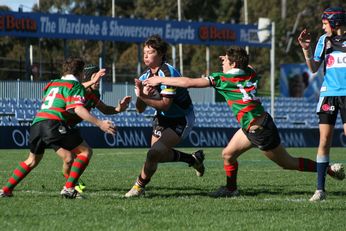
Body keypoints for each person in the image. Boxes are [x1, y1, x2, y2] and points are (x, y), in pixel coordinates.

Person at [145, 46, 345, 198]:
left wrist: (160, 81)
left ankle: (327, 169)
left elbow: (187, 82)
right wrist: (233, 60)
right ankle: (231, 189)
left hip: (259, 130)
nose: (221, 63)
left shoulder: (222, 79)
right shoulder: (248, 73)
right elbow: (248, 66)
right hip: (253, 124)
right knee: (228, 155)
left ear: (232, 64)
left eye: (225, 61)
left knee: (287, 163)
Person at [0, 57, 116, 199]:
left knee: (31, 161)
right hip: (53, 123)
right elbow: (78, 109)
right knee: (85, 152)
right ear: (80, 73)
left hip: (37, 123)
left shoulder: (52, 83)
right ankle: (68, 188)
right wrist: (100, 123)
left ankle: (6, 189)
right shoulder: (75, 86)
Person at [125, 34, 205, 198]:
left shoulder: (169, 73)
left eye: (151, 51)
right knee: (156, 155)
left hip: (181, 118)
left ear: (161, 54)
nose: (146, 55)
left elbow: (166, 105)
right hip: (162, 118)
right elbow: (140, 109)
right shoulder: (144, 77)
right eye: (145, 51)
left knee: (153, 153)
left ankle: (138, 187)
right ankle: (192, 159)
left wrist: (145, 97)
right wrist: (141, 95)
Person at [57, 64, 132, 193]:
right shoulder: (77, 89)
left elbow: (104, 109)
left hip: (68, 128)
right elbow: (78, 87)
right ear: (86, 78)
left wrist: (118, 109)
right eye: (95, 77)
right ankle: (70, 185)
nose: (98, 81)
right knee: (72, 158)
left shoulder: (93, 94)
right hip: (57, 126)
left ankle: (71, 184)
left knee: (69, 160)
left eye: (99, 78)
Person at [298, 7, 346, 201]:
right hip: (329, 95)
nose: (322, 27)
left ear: (336, 24)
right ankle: (320, 190)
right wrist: (306, 49)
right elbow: (313, 68)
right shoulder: (323, 41)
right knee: (324, 140)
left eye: (325, 23)